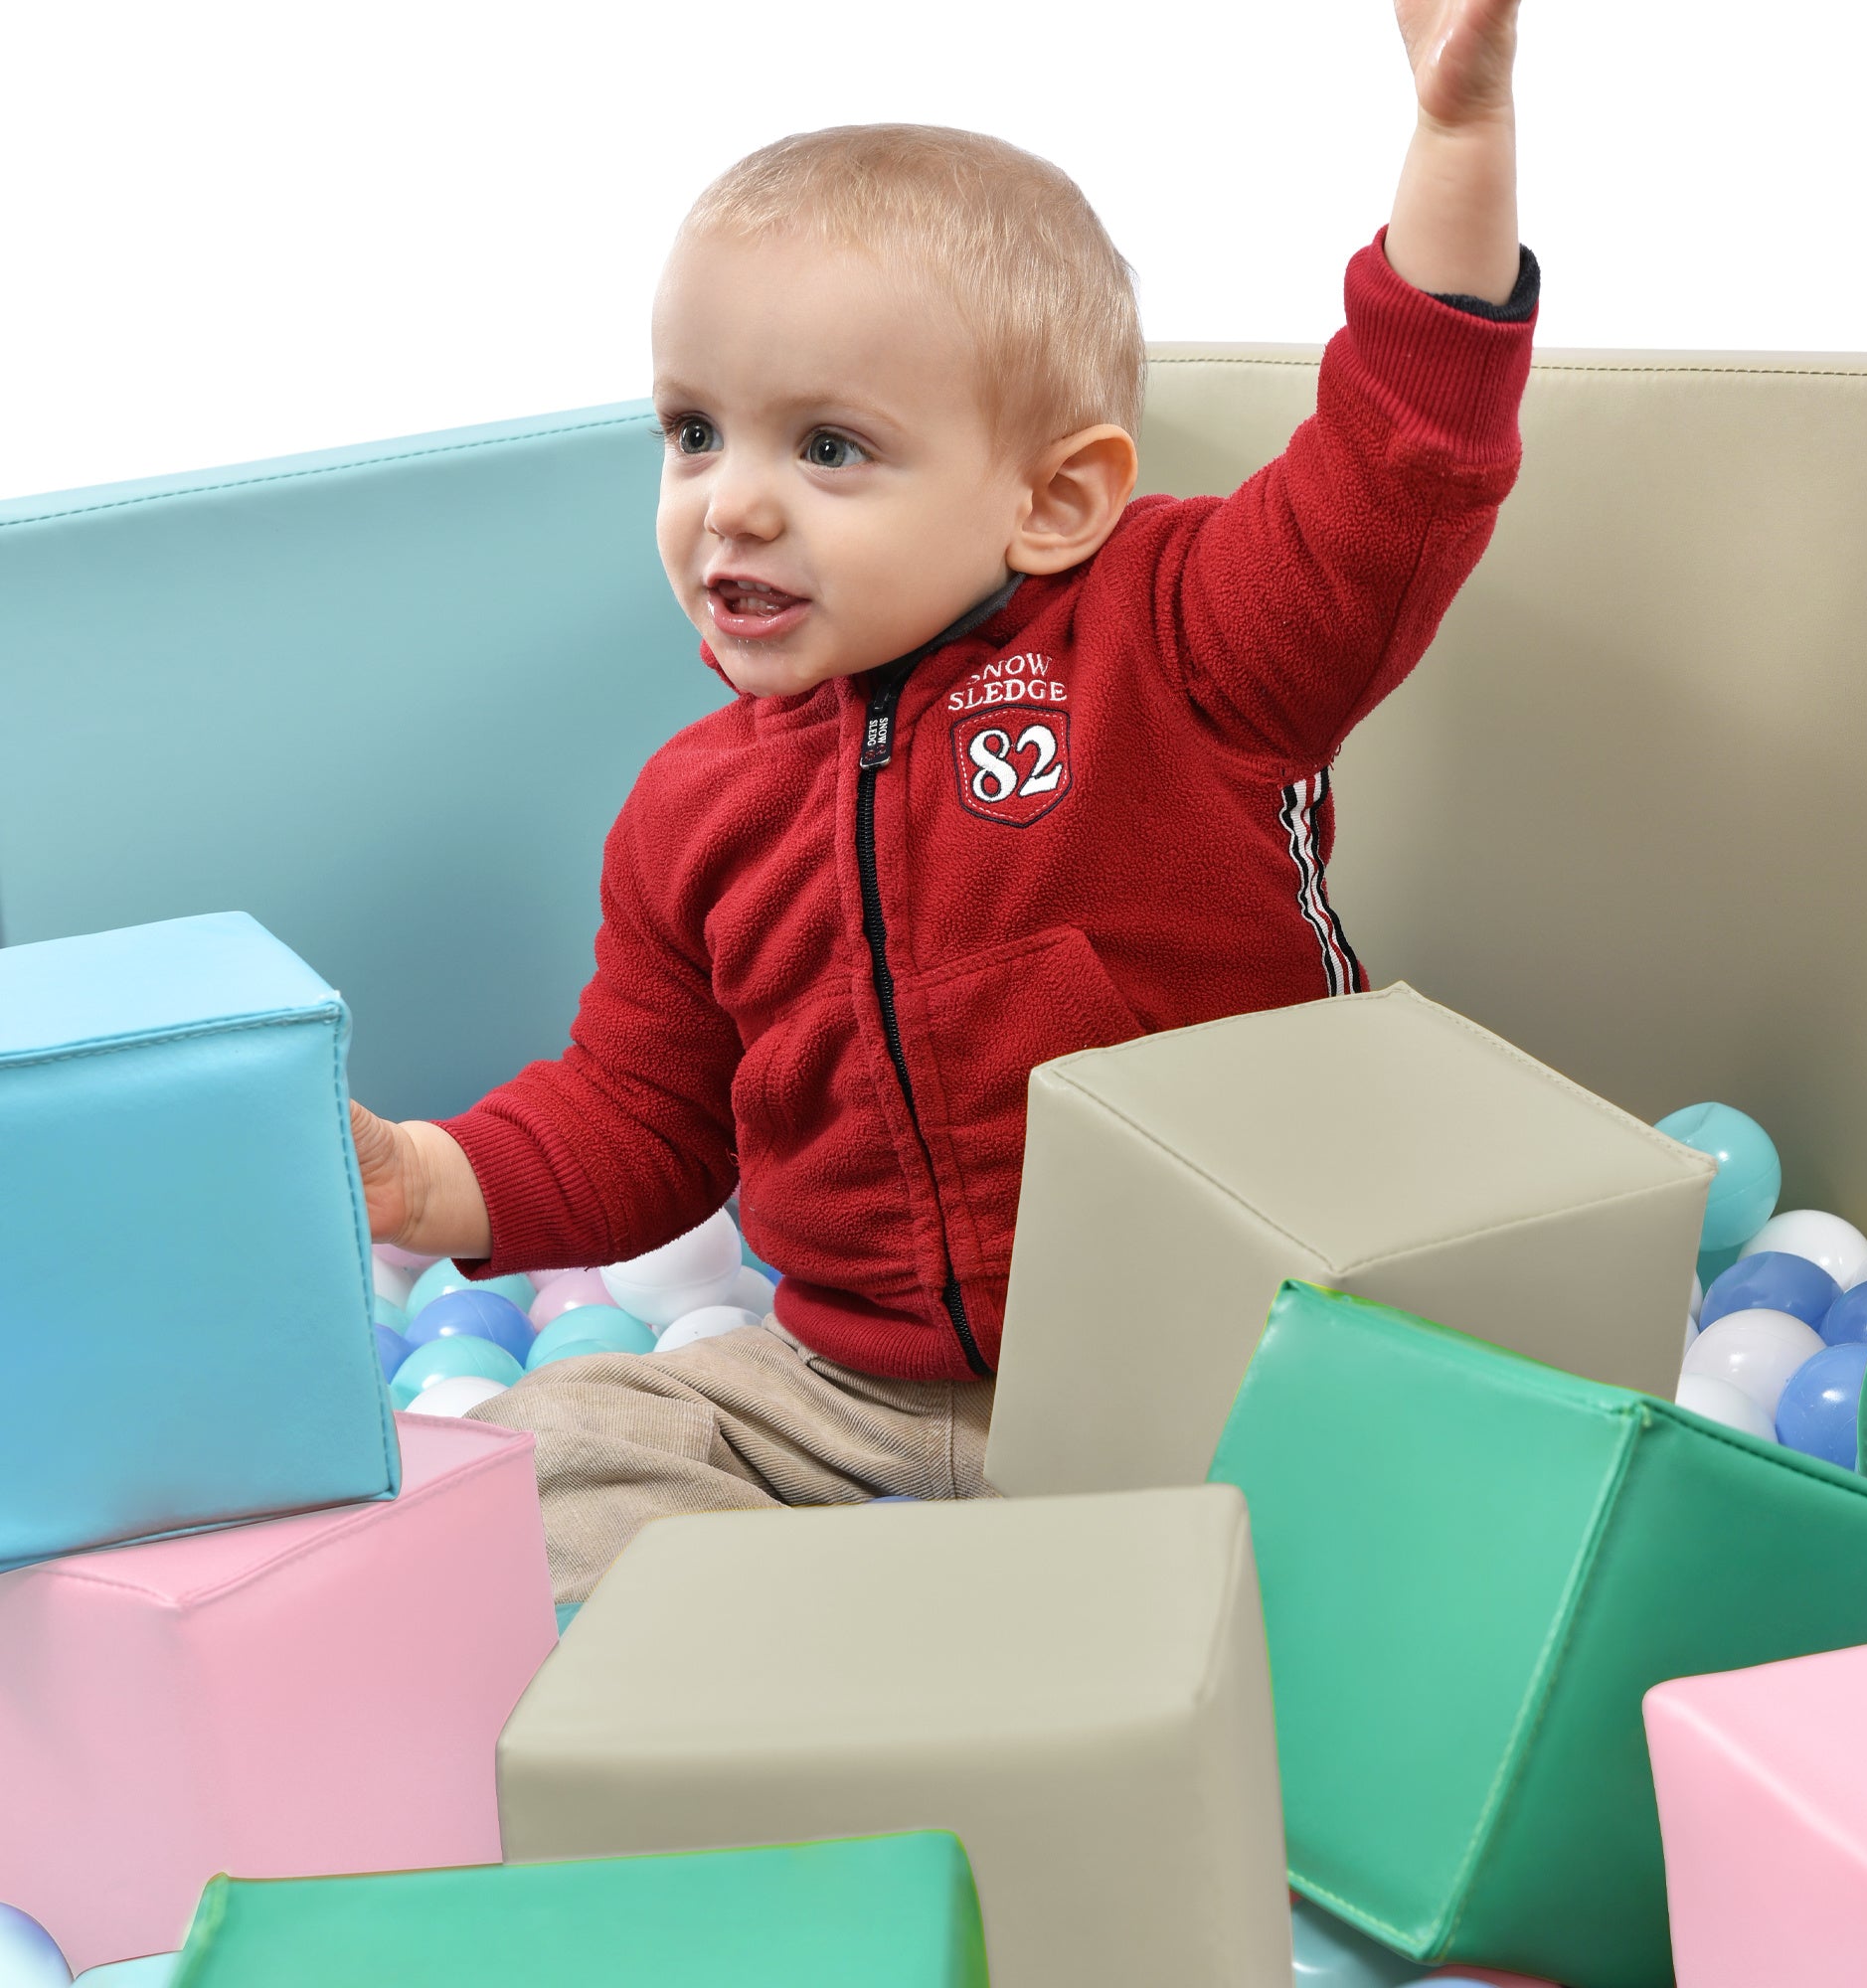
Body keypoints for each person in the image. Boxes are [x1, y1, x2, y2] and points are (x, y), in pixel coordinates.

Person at [352, 0, 1537, 1600]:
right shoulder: (689, 811)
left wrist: (1456, 151)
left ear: (1055, 501)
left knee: (1440, 1503)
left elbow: (1389, 486)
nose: (733, 501)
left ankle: (1032, 1651)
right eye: (693, 431)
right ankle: (871, 1679)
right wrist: (431, 1179)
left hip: (1226, 1377)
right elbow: (641, 1113)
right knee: (554, 1449)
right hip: (859, 1405)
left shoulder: (1178, 644)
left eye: (829, 447)